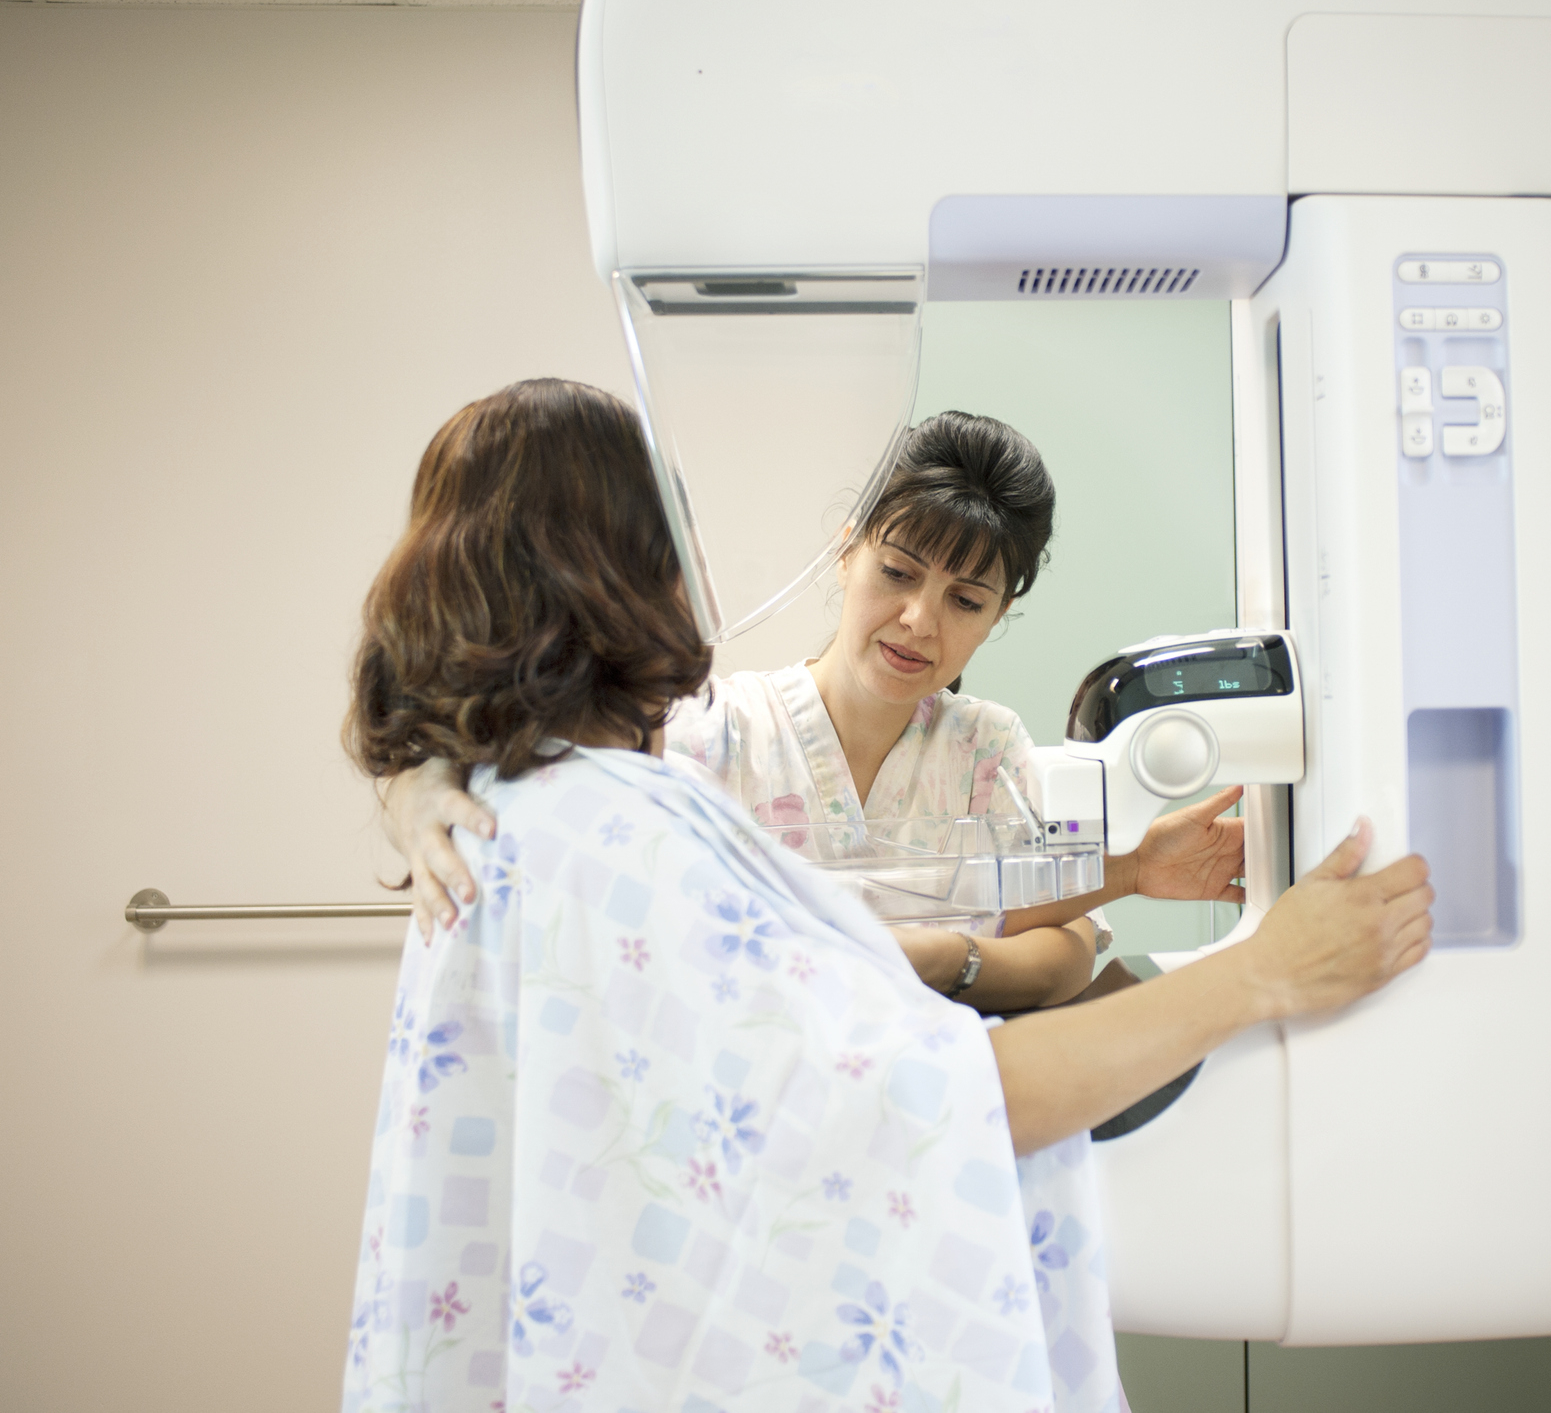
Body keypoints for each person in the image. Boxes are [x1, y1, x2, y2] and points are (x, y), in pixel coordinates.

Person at [342, 379, 1432, 1412]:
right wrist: (1265, 970)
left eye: (967, 597)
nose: (921, 618)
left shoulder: (527, 802)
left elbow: (1035, 926)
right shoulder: (663, 788)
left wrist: (1055, 905)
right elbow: (928, 1101)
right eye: (674, 546)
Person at [383, 410, 1250, 1012]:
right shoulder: (710, 729)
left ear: (997, 616)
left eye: (966, 600)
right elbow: (526, 795)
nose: (918, 622)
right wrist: (417, 786)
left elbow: (1063, 948)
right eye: (898, 573)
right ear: (847, 553)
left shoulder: (986, 747)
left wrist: (948, 960)